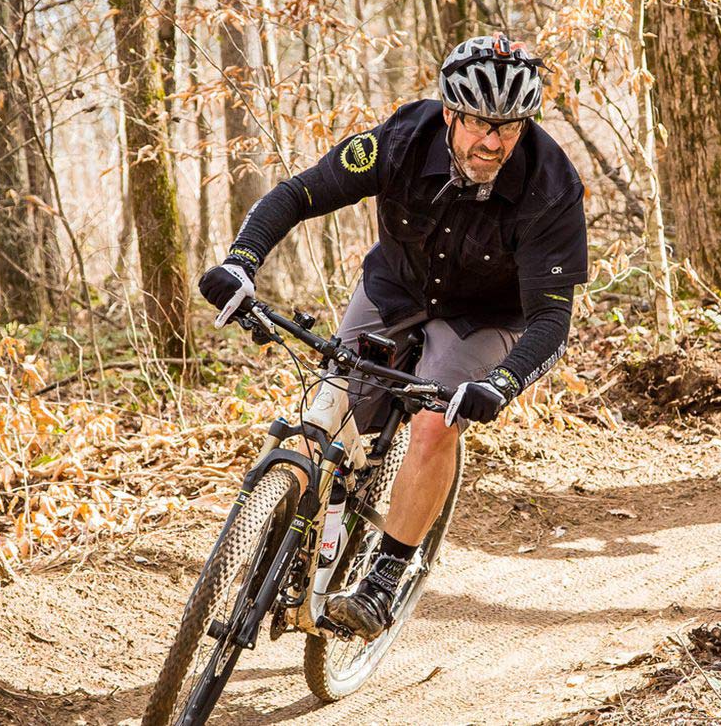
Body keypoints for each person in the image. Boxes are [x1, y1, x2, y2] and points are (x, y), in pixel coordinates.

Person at [197, 33, 587, 638]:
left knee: (435, 420)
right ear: (451, 112)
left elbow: (552, 319)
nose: (494, 143)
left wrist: (501, 384)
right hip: (395, 290)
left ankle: (386, 575)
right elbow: (299, 193)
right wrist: (241, 262)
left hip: (483, 317)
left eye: (510, 128)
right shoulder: (403, 140)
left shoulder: (551, 187)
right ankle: (281, 535)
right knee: (326, 412)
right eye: (482, 124)